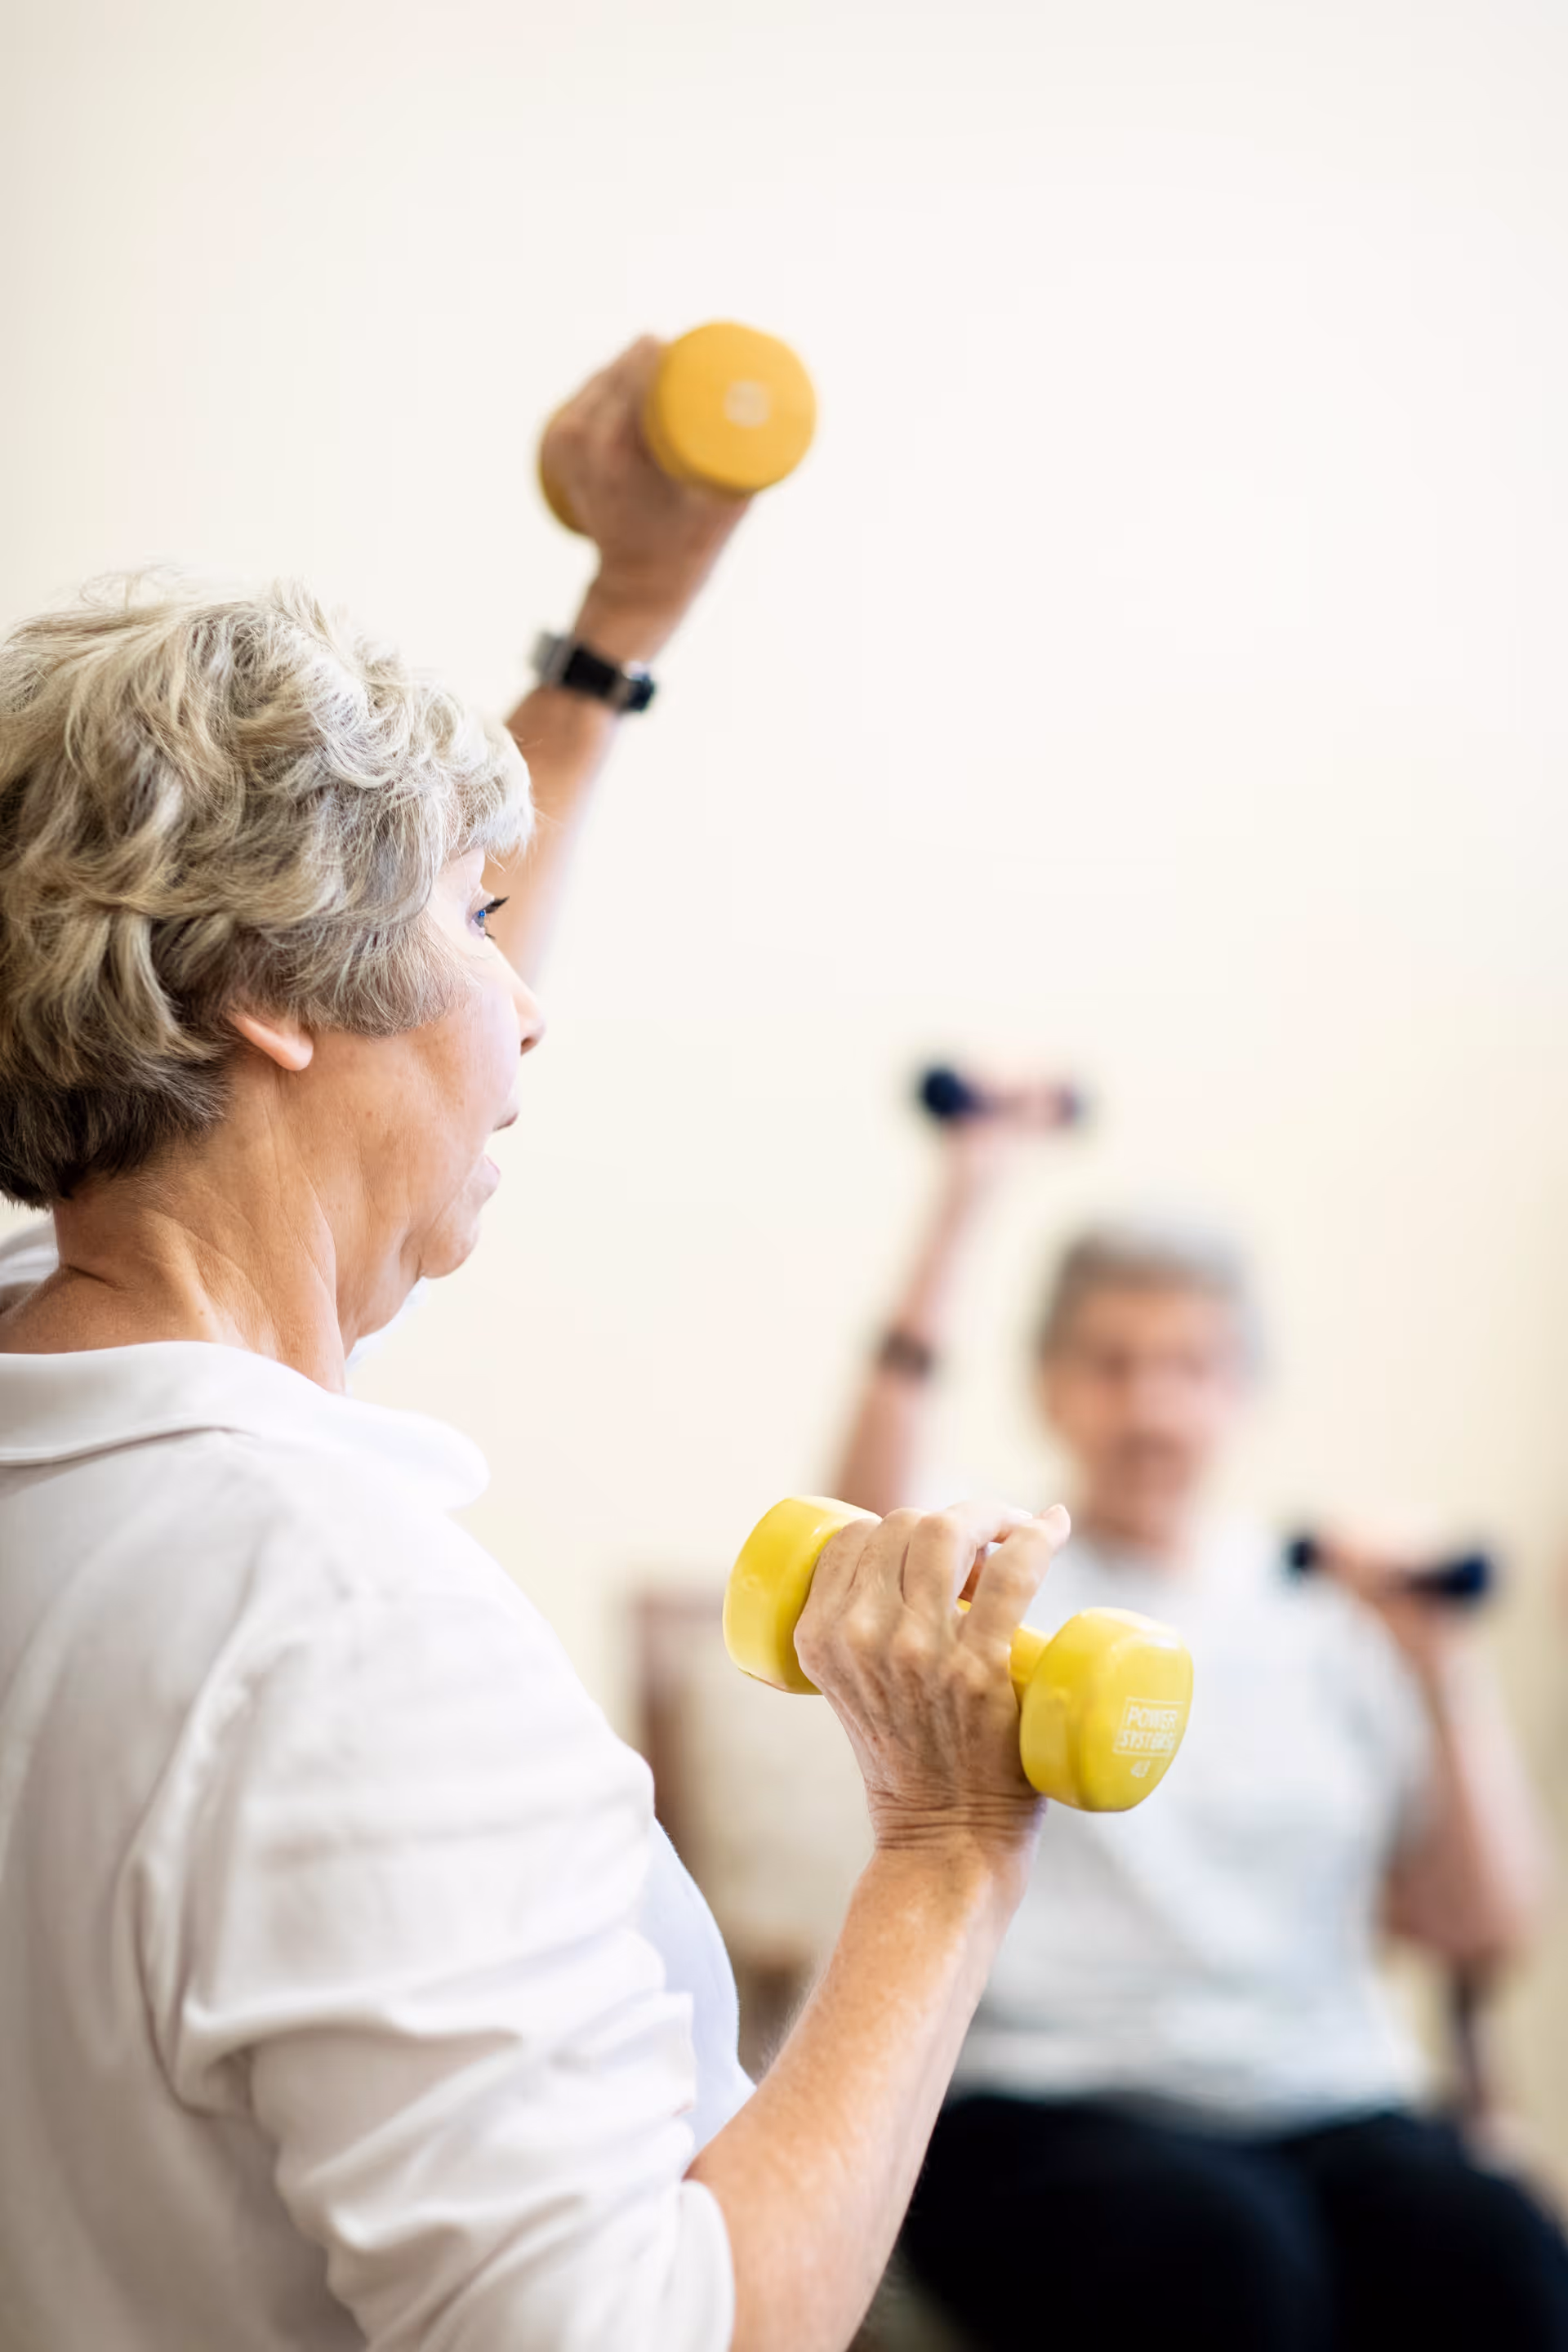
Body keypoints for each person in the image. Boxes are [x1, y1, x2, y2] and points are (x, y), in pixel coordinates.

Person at [0, 346, 1072, 2352]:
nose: (524, 1003)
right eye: (473, 920)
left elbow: (353, 986)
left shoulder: (61, 1438)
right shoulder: (332, 1628)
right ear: (266, 994)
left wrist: (620, 627)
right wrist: (944, 1854)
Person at [832, 1091, 1568, 2352]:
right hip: (1054, 2104)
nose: (1153, 1405)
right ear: (1051, 1388)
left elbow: (1479, 1926)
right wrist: (969, 1192)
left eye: (1191, 1367)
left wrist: (1446, 1672)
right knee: (1227, 2258)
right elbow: (851, 1538)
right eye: (1111, 1364)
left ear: (1246, 1391)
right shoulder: (1006, 1585)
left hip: (1321, 2098)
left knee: (1501, 2256)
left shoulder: (1329, 1613)